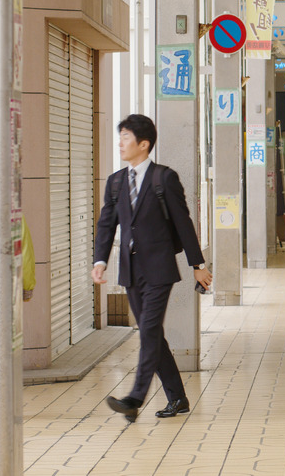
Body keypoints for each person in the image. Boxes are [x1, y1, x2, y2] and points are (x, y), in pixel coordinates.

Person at [91, 114, 212, 422]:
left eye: (126, 137)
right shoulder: (116, 182)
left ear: (143, 144)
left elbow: (184, 223)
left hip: (159, 269)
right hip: (130, 270)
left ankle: (134, 398)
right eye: (120, 137)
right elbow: (106, 224)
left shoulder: (163, 178)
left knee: (147, 331)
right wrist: (100, 260)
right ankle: (178, 398)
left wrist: (197, 264)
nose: (120, 142)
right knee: (153, 333)